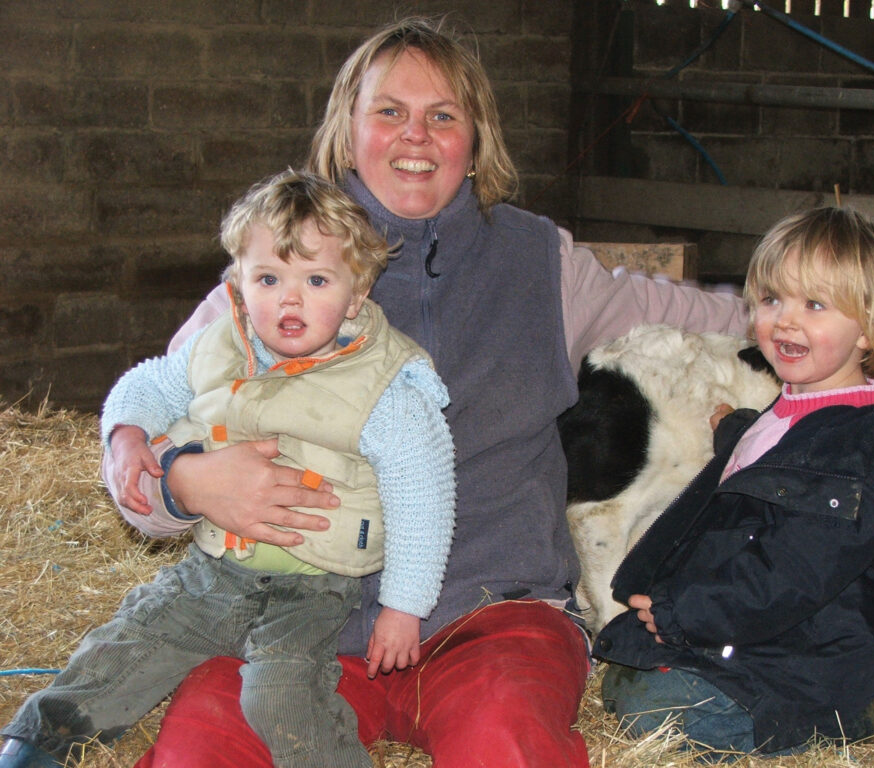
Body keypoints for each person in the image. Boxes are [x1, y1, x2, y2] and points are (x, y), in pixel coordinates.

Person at [28, 17, 749, 768]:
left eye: (443, 116)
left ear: (476, 143)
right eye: (389, 112)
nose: (417, 137)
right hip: (293, 621)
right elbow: (152, 430)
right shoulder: (276, 272)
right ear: (347, 131)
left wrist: (802, 311)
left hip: (492, 616)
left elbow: (687, 313)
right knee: (202, 752)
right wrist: (184, 482)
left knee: (507, 746)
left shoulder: (540, 266)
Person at [0, 170, 456, 768]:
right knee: (125, 645)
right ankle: (36, 746)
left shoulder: (385, 383)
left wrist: (404, 607)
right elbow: (151, 381)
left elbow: (424, 494)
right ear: (237, 284)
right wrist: (126, 433)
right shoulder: (220, 344)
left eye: (317, 280)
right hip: (213, 571)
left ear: (358, 290)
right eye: (268, 278)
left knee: (280, 696)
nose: (289, 299)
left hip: (314, 588)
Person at [596, 206, 874, 760]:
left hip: (801, 663)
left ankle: (831, 722)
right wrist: (737, 433)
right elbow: (782, 463)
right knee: (623, 677)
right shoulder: (807, 405)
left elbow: (791, 574)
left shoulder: (853, 466)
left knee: (650, 703)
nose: (785, 321)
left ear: (870, 327)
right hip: (767, 639)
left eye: (815, 305)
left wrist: (686, 613)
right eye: (772, 300)